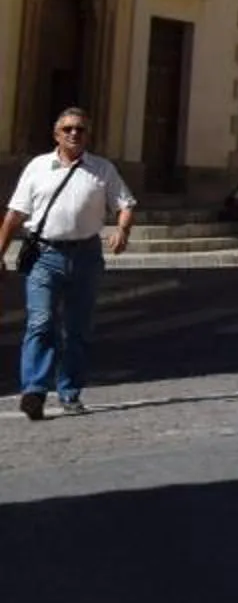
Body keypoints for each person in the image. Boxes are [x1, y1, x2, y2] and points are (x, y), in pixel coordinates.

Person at [4, 107, 137, 420]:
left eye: (80, 130)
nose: (74, 134)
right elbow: (15, 214)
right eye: (68, 129)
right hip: (43, 256)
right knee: (40, 321)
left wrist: (122, 229)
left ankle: (69, 391)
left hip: (86, 256)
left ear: (88, 135)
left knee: (77, 328)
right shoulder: (37, 167)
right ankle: (34, 390)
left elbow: (125, 204)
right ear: (56, 134)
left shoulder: (102, 169)